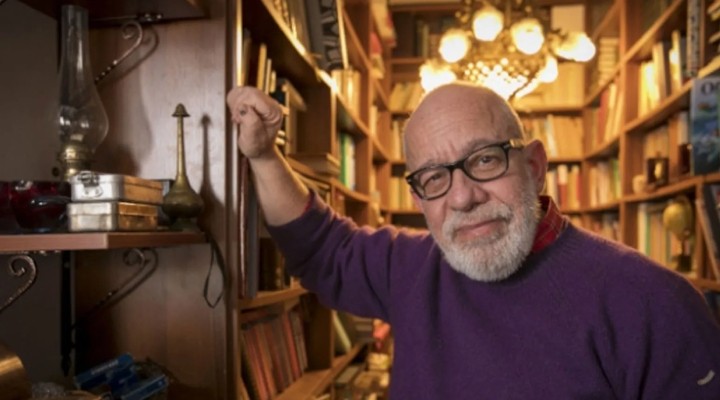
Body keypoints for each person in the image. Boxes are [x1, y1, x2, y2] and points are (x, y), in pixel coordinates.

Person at [227, 81, 720, 399]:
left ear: (534, 166)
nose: (462, 197)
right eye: (434, 177)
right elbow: (321, 249)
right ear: (418, 198)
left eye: (485, 160)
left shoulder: (657, 304)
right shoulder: (409, 267)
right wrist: (264, 155)